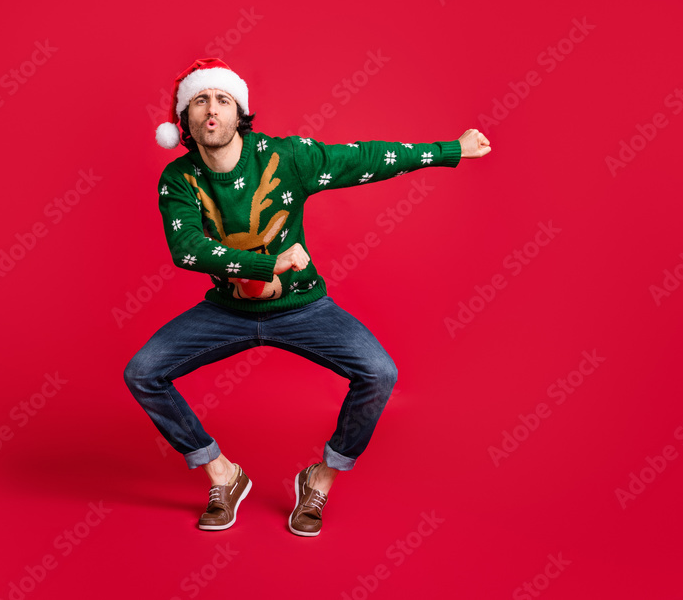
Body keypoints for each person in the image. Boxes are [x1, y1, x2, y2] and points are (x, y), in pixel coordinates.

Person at [125, 58, 490, 536]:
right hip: (226, 311)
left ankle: (319, 480)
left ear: (240, 113)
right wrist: (266, 264)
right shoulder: (179, 178)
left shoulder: (285, 158)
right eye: (199, 100)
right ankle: (222, 475)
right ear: (184, 120)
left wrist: (451, 150)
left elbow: (363, 158)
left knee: (379, 373)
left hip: (302, 307)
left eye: (222, 99)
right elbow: (187, 248)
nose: (211, 109)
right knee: (143, 372)